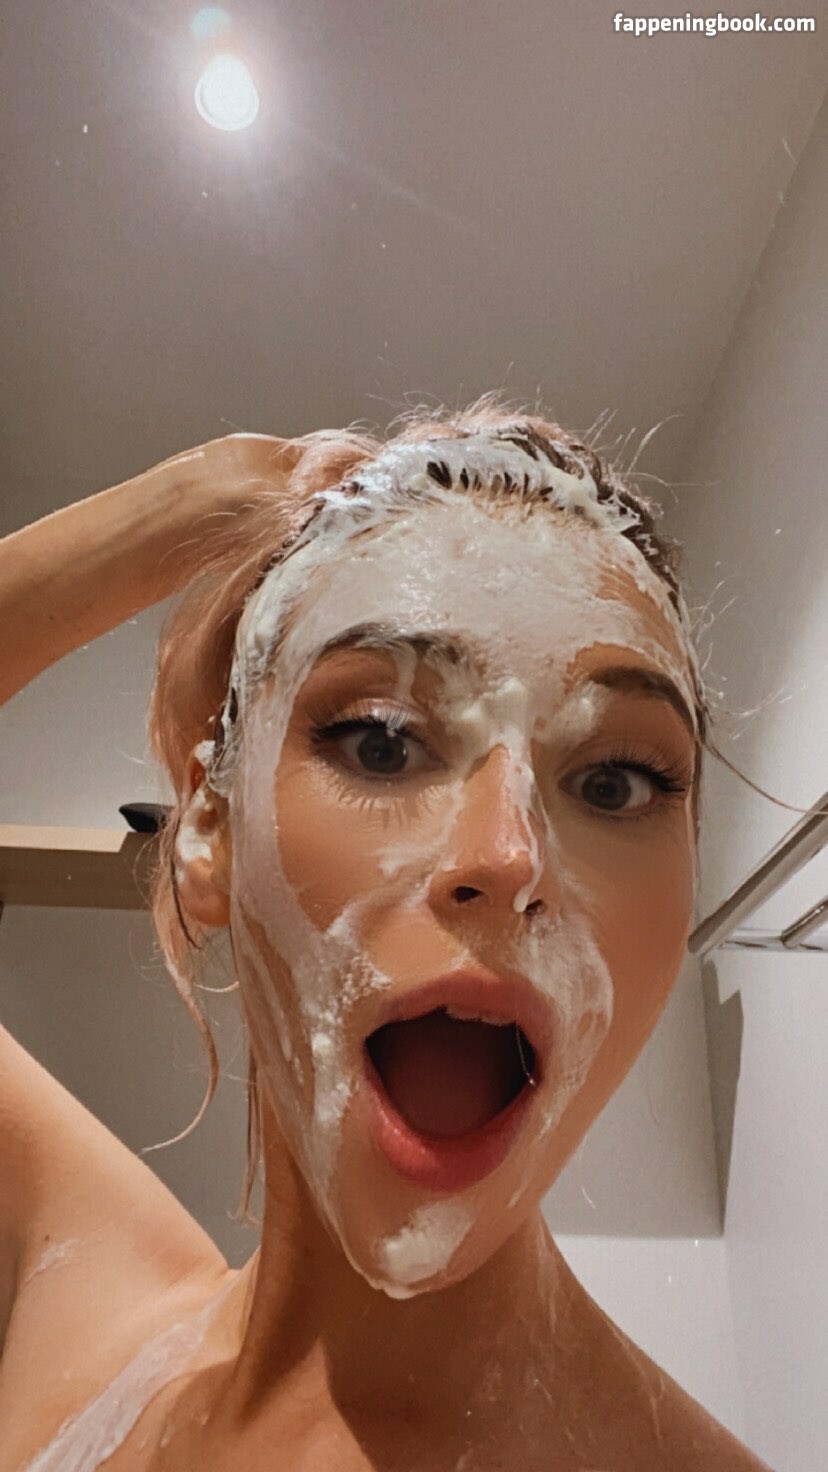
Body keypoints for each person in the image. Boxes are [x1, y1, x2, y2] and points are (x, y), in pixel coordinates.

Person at [0, 400, 771, 1471]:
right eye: (381, 743)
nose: (510, 855)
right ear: (209, 827)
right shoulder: (92, 1317)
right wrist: (180, 506)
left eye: (614, 782)